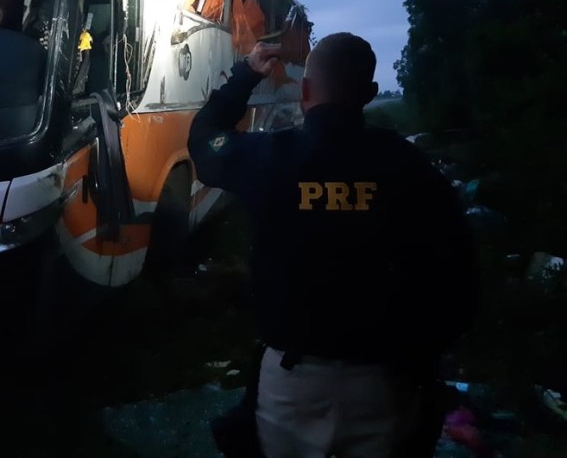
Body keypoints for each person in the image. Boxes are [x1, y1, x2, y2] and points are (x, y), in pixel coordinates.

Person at [188, 33, 478, 458]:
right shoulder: (408, 165)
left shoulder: (269, 156)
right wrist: (420, 357)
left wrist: (246, 74)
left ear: (305, 91)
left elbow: (204, 140)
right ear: (370, 93)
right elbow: (459, 275)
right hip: (386, 382)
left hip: (290, 385)